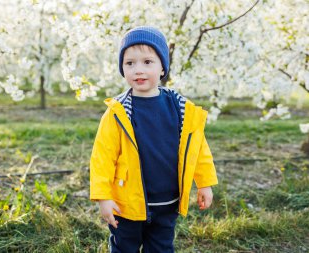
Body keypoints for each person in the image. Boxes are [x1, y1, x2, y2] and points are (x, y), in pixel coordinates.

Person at [90, 26, 218, 253]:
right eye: (130, 63)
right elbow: (102, 157)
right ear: (122, 68)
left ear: (162, 68)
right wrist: (103, 197)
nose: (138, 69)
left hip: (168, 202)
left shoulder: (181, 109)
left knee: (161, 248)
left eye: (147, 62)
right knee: (124, 248)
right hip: (127, 204)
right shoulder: (117, 112)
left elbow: (198, 147)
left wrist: (204, 182)